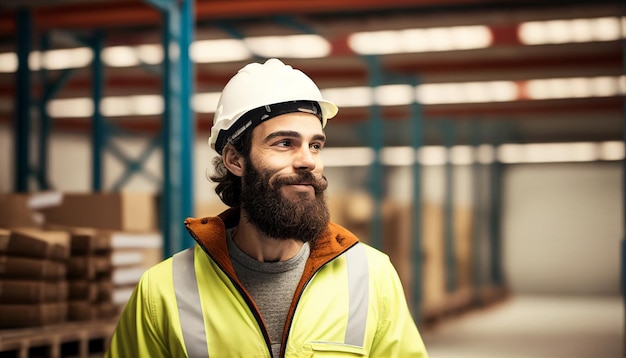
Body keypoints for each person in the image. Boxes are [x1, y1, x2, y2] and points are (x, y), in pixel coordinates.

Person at [105, 58, 428, 358]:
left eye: (315, 145)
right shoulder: (163, 290)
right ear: (235, 159)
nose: (308, 160)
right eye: (285, 143)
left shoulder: (371, 274)